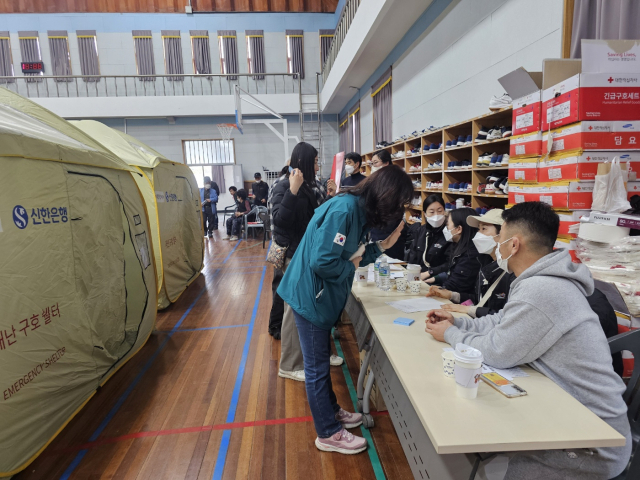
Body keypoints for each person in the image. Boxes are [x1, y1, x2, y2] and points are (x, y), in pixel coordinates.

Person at [424, 202, 631, 480]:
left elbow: (498, 351)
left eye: (499, 237)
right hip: (564, 415)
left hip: (590, 444)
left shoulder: (543, 288)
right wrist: (458, 322)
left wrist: (450, 334)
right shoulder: (535, 280)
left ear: (514, 244)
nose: (495, 243)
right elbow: (500, 321)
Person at [278, 165, 413, 454]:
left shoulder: (360, 211)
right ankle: (327, 433)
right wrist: (350, 267)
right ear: (386, 196)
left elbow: (355, 251)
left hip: (321, 296)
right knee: (315, 368)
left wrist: (382, 246)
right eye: (399, 203)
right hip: (311, 296)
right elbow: (323, 262)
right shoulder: (345, 210)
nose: (399, 210)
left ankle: (332, 412)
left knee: (320, 365)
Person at [271, 143, 337, 380]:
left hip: (309, 254)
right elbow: (280, 221)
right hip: (294, 256)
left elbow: (315, 217)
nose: (319, 165)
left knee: (312, 306)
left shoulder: (310, 185)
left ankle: (320, 353)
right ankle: (289, 365)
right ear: (306, 162)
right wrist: (292, 191)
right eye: (316, 161)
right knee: (293, 310)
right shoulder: (283, 185)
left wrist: (330, 198)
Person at [425, 208, 514, 317]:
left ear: (503, 235)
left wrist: (470, 310)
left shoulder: (511, 271)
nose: (478, 235)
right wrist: (452, 295)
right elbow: (480, 299)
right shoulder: (487, 263)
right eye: (478, 229)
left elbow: (502, 316)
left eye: (484, 229)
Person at [421, 207, 483, 295]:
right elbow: (452, 274)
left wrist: (435, 290)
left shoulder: (471, 255)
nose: (445, 229)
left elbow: (456, 286)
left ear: (458, 229)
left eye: (447, 225)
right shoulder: (458, 247)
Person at [368, 149, 407, 260]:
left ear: (386, 163)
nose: (373, 166)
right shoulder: (376, 181)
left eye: (376, 163)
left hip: (391, 231)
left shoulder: (396, 182)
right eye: (372, 163)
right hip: (376, 229)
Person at [267, 163, 291, 339]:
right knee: (281, 285)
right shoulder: (283, 185)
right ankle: (276, 325)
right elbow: (277, 216)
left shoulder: (276, 183)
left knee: (278, 285)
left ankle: (275, 325)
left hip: (277, 242)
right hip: (283, 244)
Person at [406, 194, 450, 272]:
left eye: (440, 211)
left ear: (444, 212)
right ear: (425, 214)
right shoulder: (420, 231)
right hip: (418, 275)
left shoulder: (449, 233)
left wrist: (430, 273)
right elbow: (413, 255)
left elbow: (449, 263)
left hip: (436, 278)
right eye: (432, 212)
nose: (436, 215)